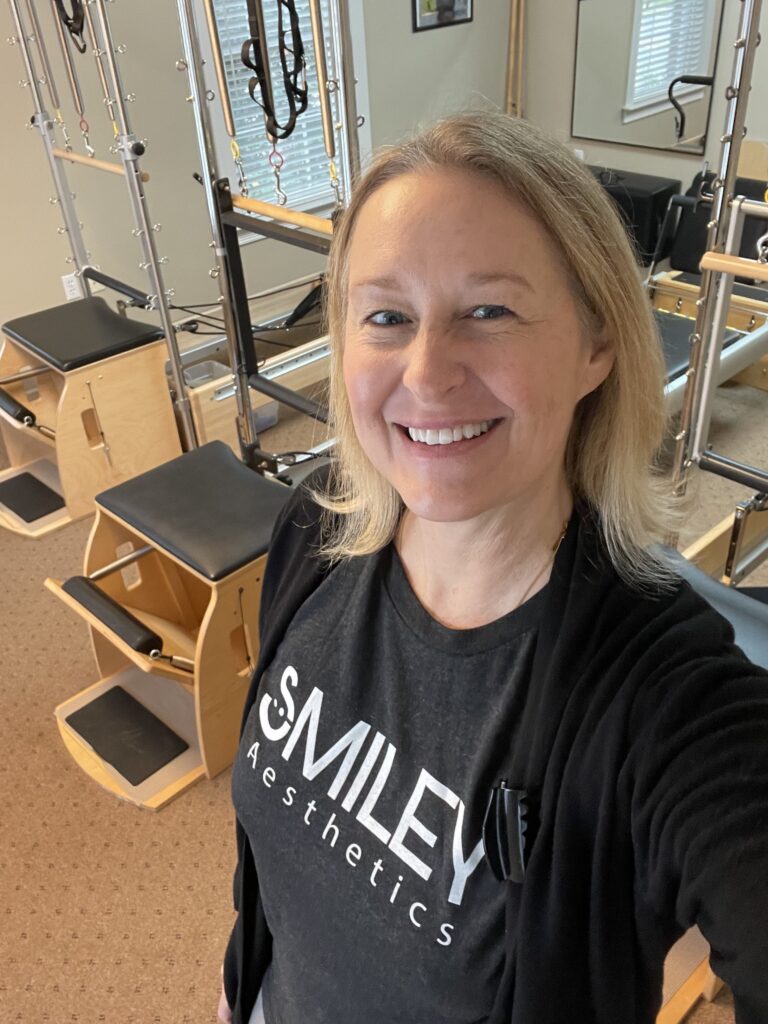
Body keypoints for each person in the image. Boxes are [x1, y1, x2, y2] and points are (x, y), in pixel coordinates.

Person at [217, 112, 768, 1024]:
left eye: (489, 311)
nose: (428, 375)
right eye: (387, 316)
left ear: (596, 343)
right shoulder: (317, 528)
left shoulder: (662, 702)